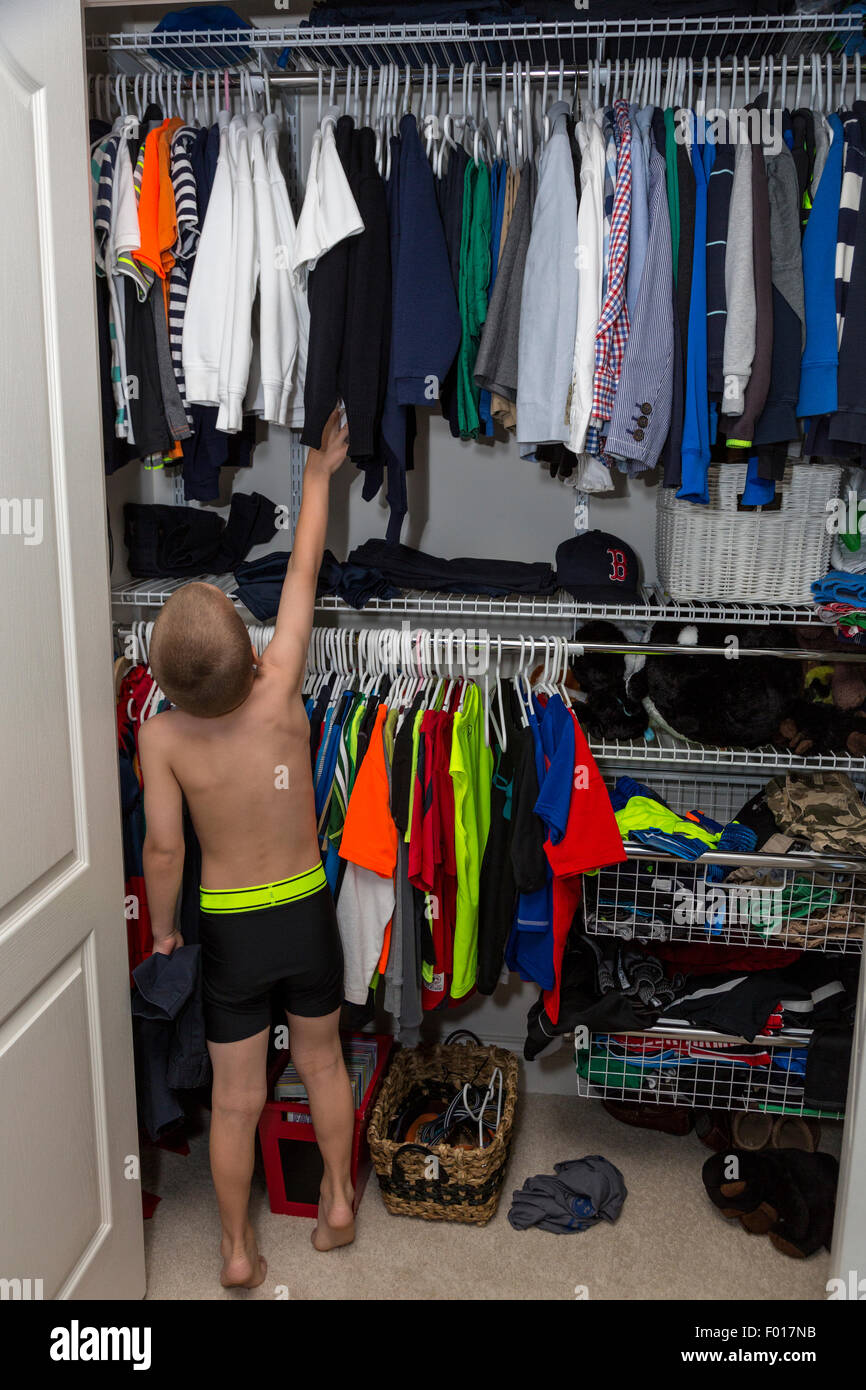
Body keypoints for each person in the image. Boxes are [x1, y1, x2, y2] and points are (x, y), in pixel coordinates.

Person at [138, 409, 353, 1289]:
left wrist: (161, 933)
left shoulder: (162, 739)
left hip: (228, 932)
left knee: (237, 1098)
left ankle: (235, 1251)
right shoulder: (281, 687)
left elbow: (163, 850)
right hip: (303, 909)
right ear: (246, 645)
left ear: (161, 675)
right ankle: (337, 1203)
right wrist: (316, 480)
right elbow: (302, 571)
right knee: (323, 1062)